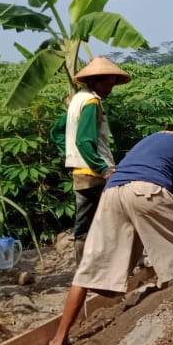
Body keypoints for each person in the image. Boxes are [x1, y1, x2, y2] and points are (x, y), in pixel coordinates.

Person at [48, 125, 173, 345]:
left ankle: (58, 341)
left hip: (112, 193)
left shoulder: (157, 136)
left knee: (90, 267)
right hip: (147, 191)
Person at [50, 56, 132, 264]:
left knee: (84, 223)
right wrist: (102, 168)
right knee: (116, 217)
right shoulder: (92, 103)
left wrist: (70, 154)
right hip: (95, 174)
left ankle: (84, 269)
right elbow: (84, 140)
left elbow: (57, 132)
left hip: (81, 172)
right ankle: (106, 266)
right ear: (94, 81)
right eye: (106, 82)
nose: (110, 87)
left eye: (112, 83)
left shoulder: (78, 100)